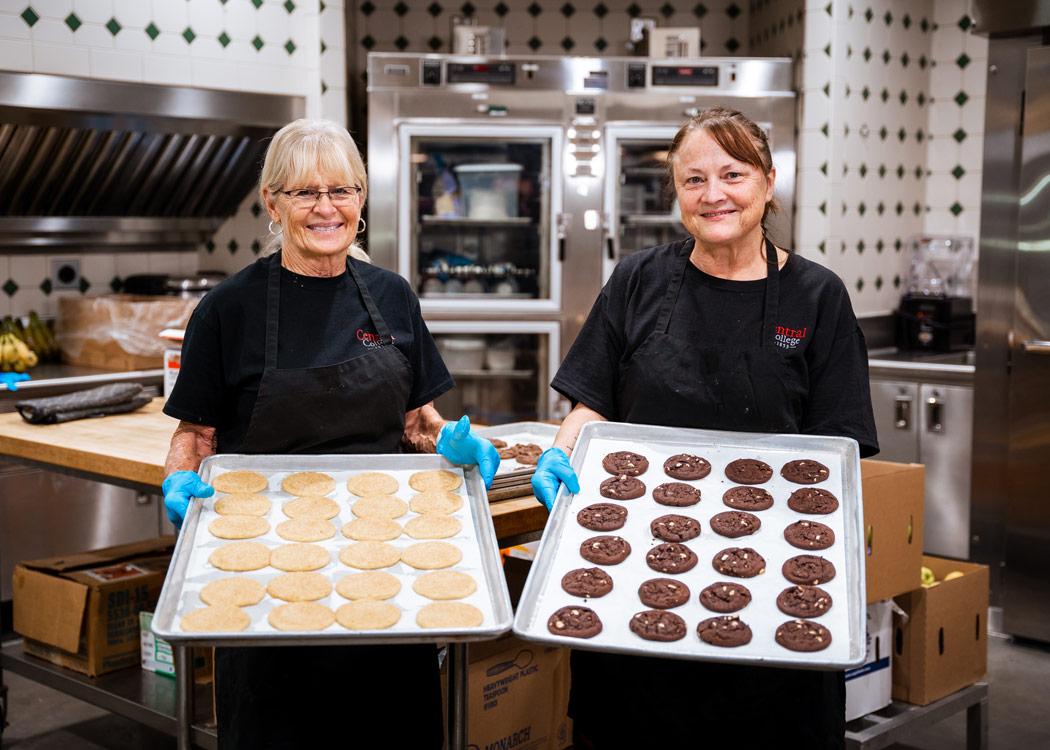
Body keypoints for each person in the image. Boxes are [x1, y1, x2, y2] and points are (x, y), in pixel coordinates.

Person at [532, 106, 878, 749]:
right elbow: (590, 404)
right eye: (693, 180)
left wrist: (836, 539)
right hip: (636, 573)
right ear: (676, 193)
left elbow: (842, 447)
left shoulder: (817, 296)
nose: (713, 194)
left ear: (769, 183)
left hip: (772, 581)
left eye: (733, 174)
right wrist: (565, 451)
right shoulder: (637, 279)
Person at [161, 118, 499, 749]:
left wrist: (446, 442)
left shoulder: (391, 297)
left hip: (387, 562)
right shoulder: (227, 309)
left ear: (362, 200)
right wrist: (179, 474)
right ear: (272, 203)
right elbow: (197, 431)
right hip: (264, 572)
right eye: (304, 193)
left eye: (342, 191)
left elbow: (416, 424)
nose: (326, 208)